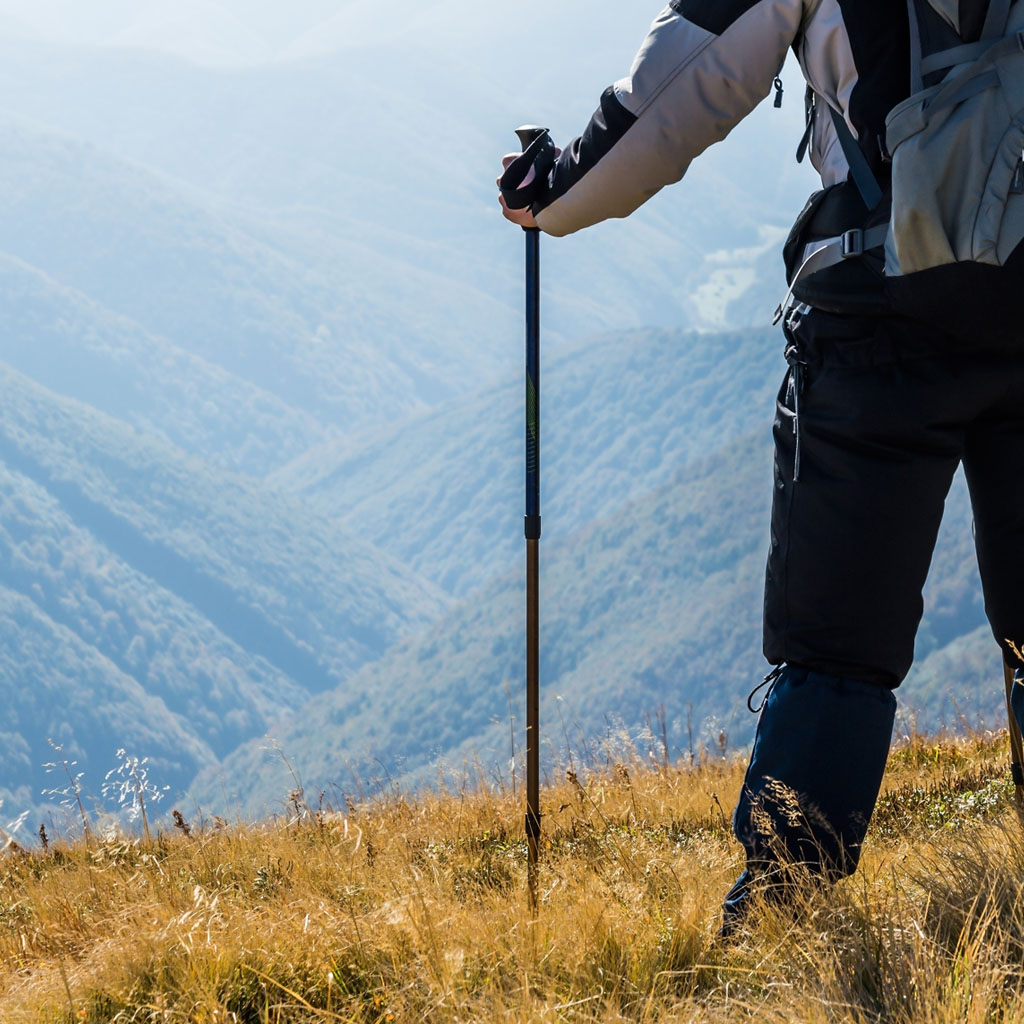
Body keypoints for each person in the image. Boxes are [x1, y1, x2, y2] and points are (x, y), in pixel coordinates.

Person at [497, 0, 1024, 932]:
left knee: (837, 643)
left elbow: (681, 84)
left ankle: (784, 916)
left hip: (878, 311)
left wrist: (557, 188)